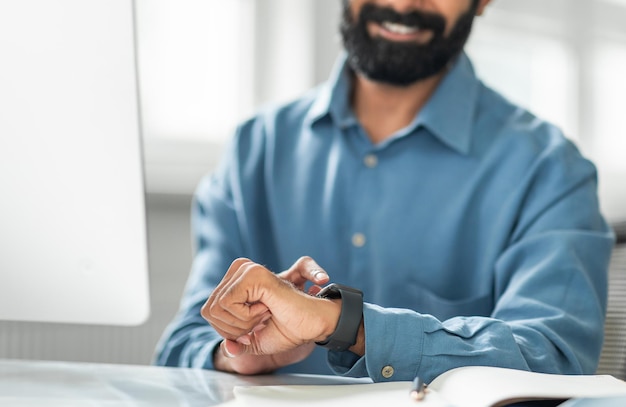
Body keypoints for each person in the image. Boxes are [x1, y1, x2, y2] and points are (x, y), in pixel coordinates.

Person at [153, 0, 615, 384]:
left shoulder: (550, 168)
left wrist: (343, 324)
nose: (403, 4)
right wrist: (235, 352)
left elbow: (553, 359)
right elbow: (182, 346)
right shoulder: (255, 147)